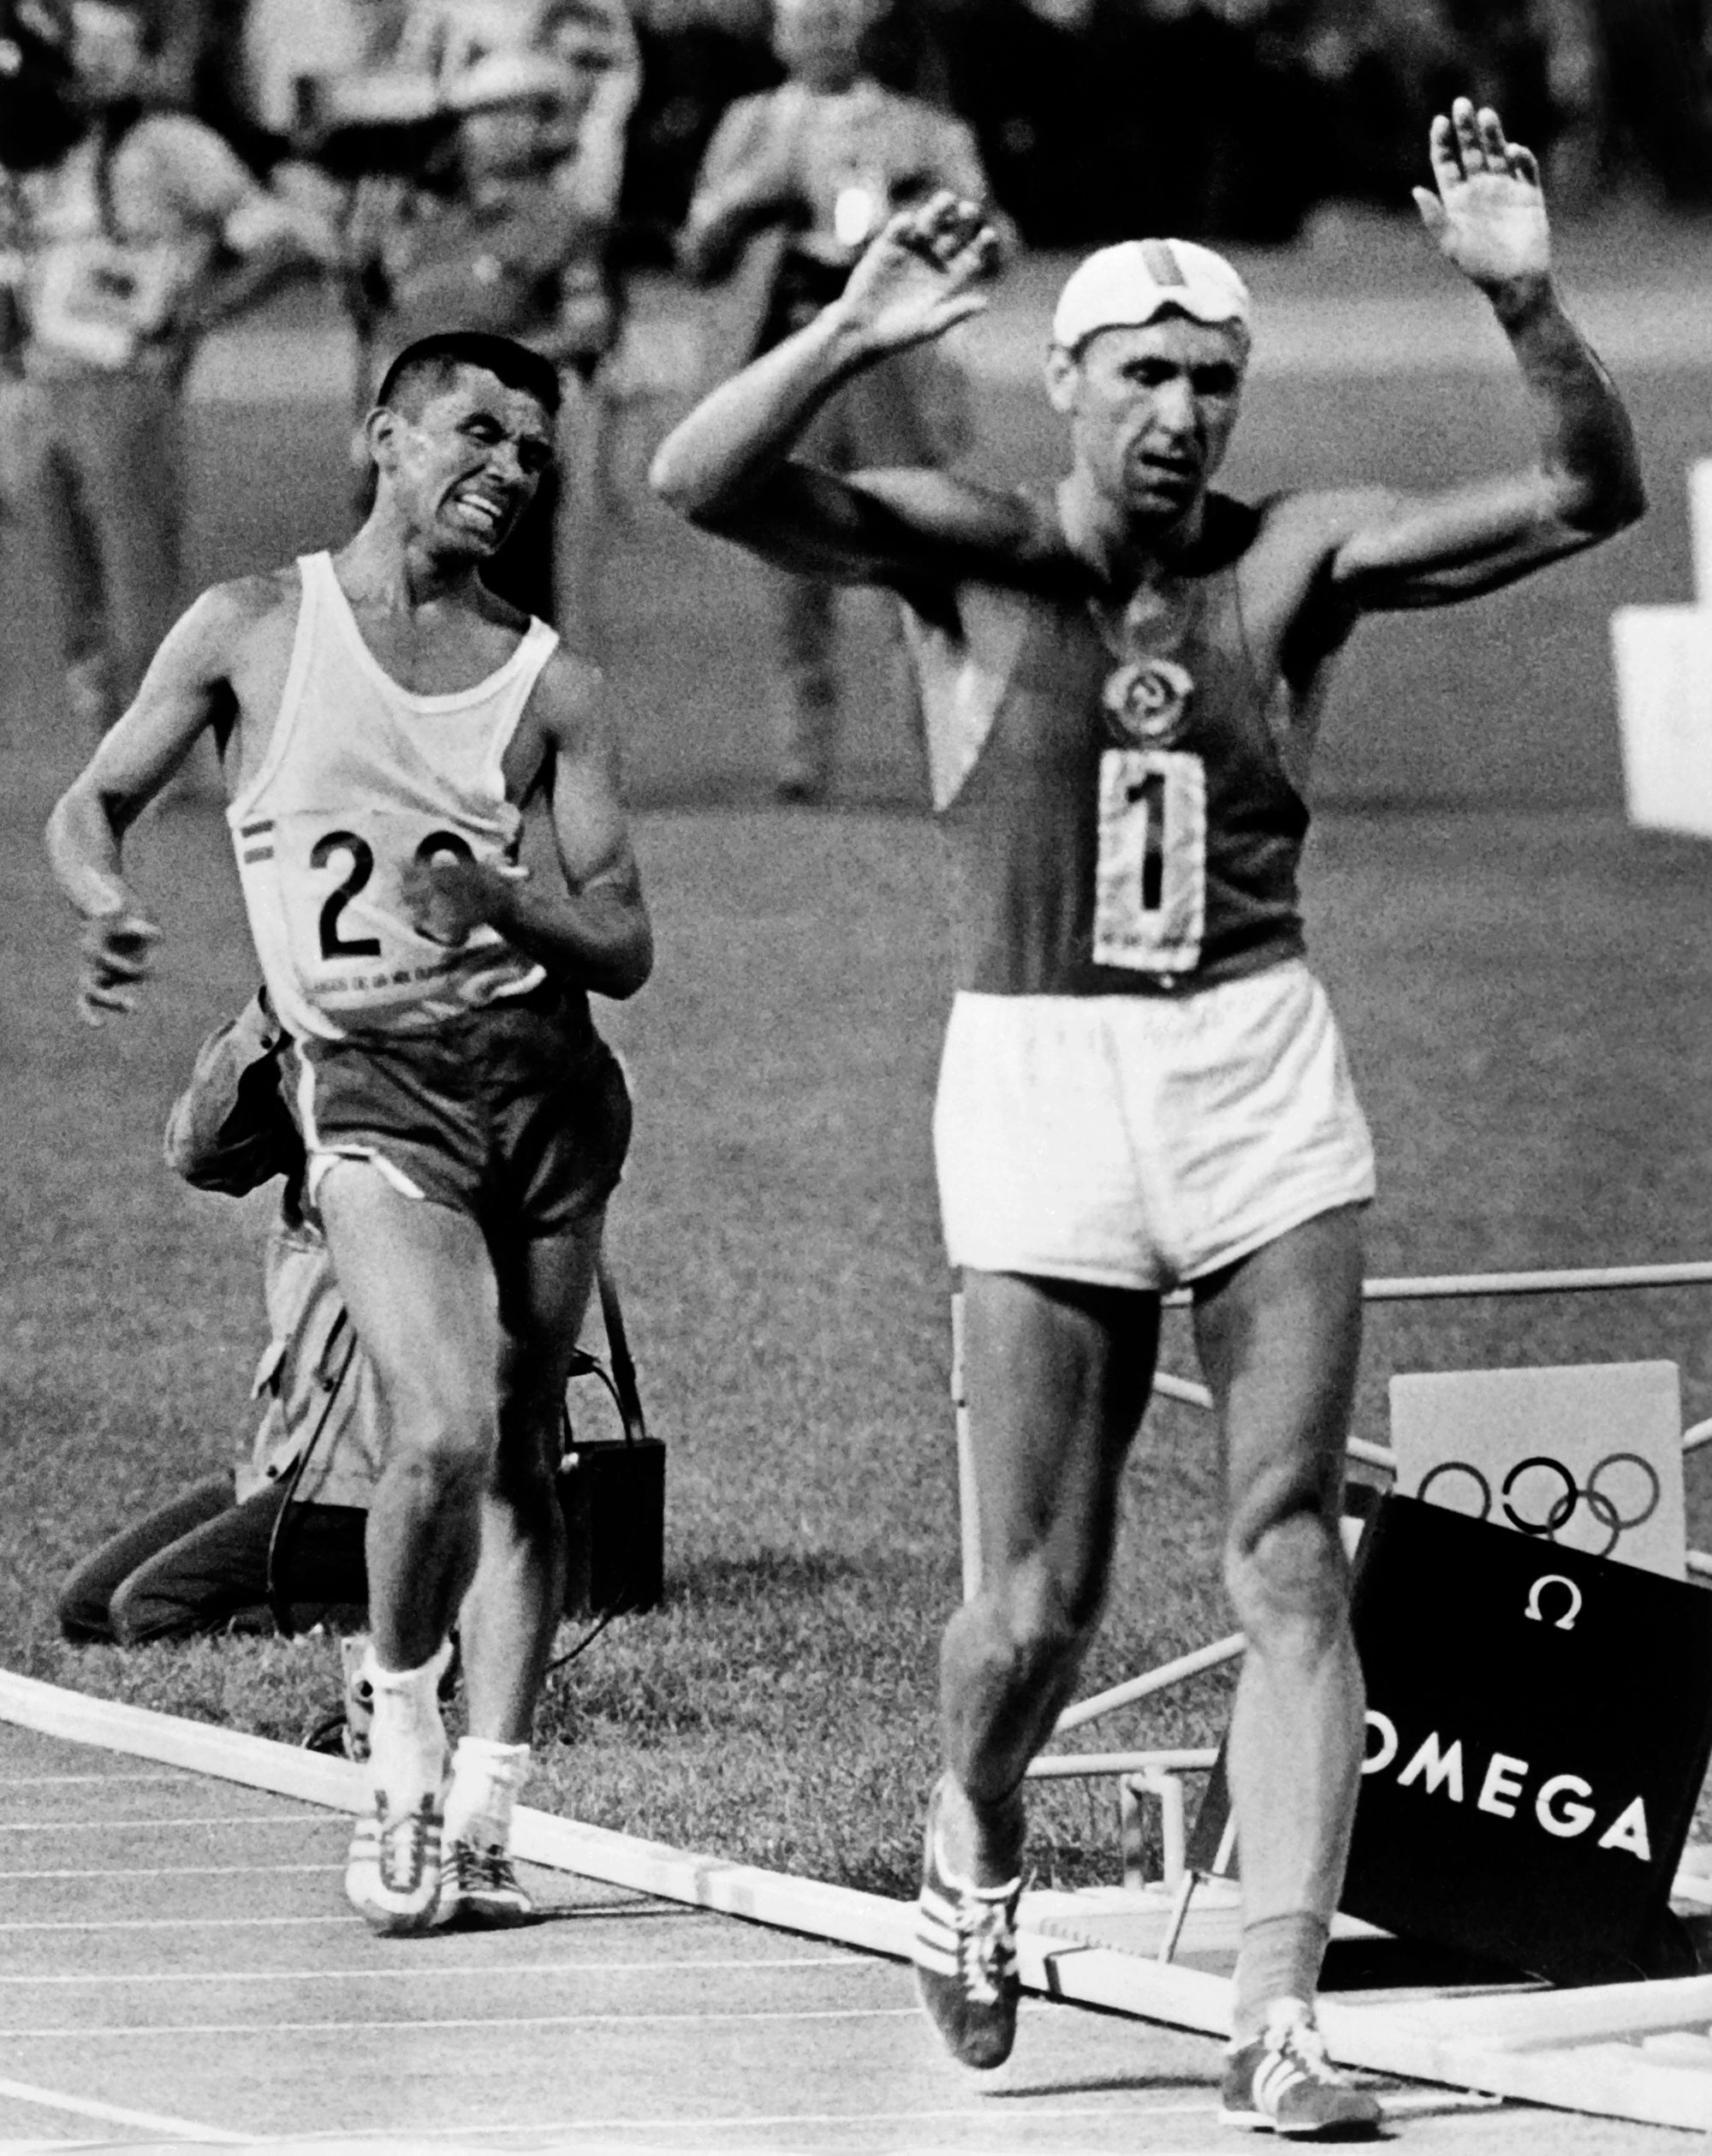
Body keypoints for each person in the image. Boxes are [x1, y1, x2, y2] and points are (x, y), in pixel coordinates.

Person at [649, 103, 1644, 2133]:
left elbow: (1577, 491)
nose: (1182, 413)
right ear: (1068, 384)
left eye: (1213, 379)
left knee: (1285, 1550)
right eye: (1145, 379)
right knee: (1033, 1602)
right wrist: (849, 327)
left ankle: (1271, 2012)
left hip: (1254, 1069)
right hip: (1034, 1080)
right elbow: (698, 478)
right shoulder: (973, 557)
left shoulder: (1295, 561)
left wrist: (1522, 295)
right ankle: (975, 1820)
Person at [46, 327, 653, 1939]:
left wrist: (508, 898)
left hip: (544, 1086)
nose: (508, 471)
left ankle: (488, 1820)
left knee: (526, 1453)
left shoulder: (549, 681)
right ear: (382, 435)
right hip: (373, 1087)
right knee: (441, 1426)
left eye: (533, 451)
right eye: (477, 431)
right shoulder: (256, 627)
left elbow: (624, 942)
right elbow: (93, 799)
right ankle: (395, 1757)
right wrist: (103, 894)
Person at [677, 0, 1009, 804]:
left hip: (892, 364)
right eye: (807, 19)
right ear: (778, 34)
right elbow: (697, 252)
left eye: (837, 17)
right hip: (789, 353)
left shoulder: (921, 127)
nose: (824, 35)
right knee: (791, 563)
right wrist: (752, 203)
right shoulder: (750, 127)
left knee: (916, 551)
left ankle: (941, 744)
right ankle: (804, 758)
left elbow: (994, 238)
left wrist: (929, 215)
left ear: (865, 28)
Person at [4, 0, 331, 746]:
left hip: (122, 389)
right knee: (67, 584)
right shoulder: (32, 148)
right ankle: (103, 744)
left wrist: (192, 313)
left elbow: (280, 242)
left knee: (136, 582)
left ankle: (158, 748)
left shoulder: (164, 146)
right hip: (36, 385)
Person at [56, 991, 381, 1647]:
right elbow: (202, 1154)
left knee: (153, 1612)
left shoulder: (418, 1069)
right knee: (89, 1605)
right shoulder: (310, 1040)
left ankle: (409, 1614)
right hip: (295, 1461)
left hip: (377, 1478)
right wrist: (272, 1012)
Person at [342, 19, 639, 644]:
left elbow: (590, 328)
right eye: (488, 116)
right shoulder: (423, 220)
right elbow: (377, 319)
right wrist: (358, 261)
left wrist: (472, 365)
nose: (503, 131)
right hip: (411, 447)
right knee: (395, 616)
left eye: (522, 116)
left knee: (506, 616)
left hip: (500, 446)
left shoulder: (564, 222)